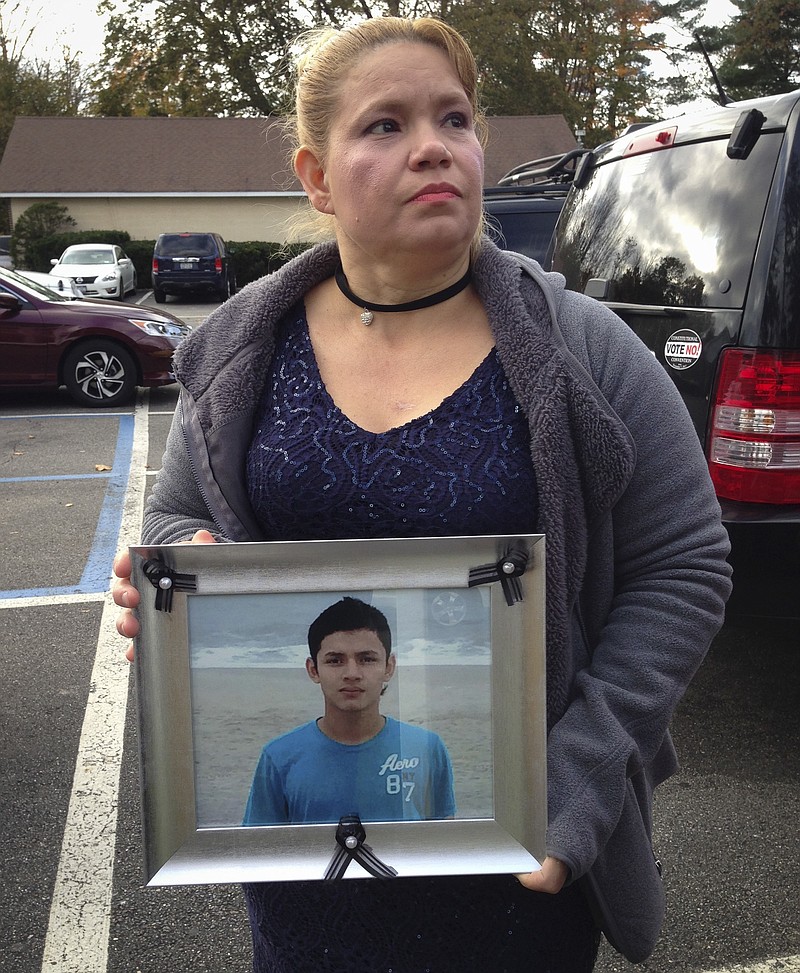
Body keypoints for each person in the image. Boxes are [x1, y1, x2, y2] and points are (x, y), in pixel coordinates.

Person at [112, 14, 732, 973]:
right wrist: (179, 569)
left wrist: (580, 774)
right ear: (316, 176)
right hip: (307, 882)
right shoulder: (244, 350)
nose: (434, 146)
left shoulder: (582, 350)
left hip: (522, 869)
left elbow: (684, 562)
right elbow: (174, 520)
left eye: (455, 118)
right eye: (385, 125)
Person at [243, 596, 456, 825]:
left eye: (367, 659)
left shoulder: (426, 748)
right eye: (335, 661)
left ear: (389, 667)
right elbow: (260, 853)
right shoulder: (279, 757)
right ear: (313, 670)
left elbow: (444, 847)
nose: (352, 673)